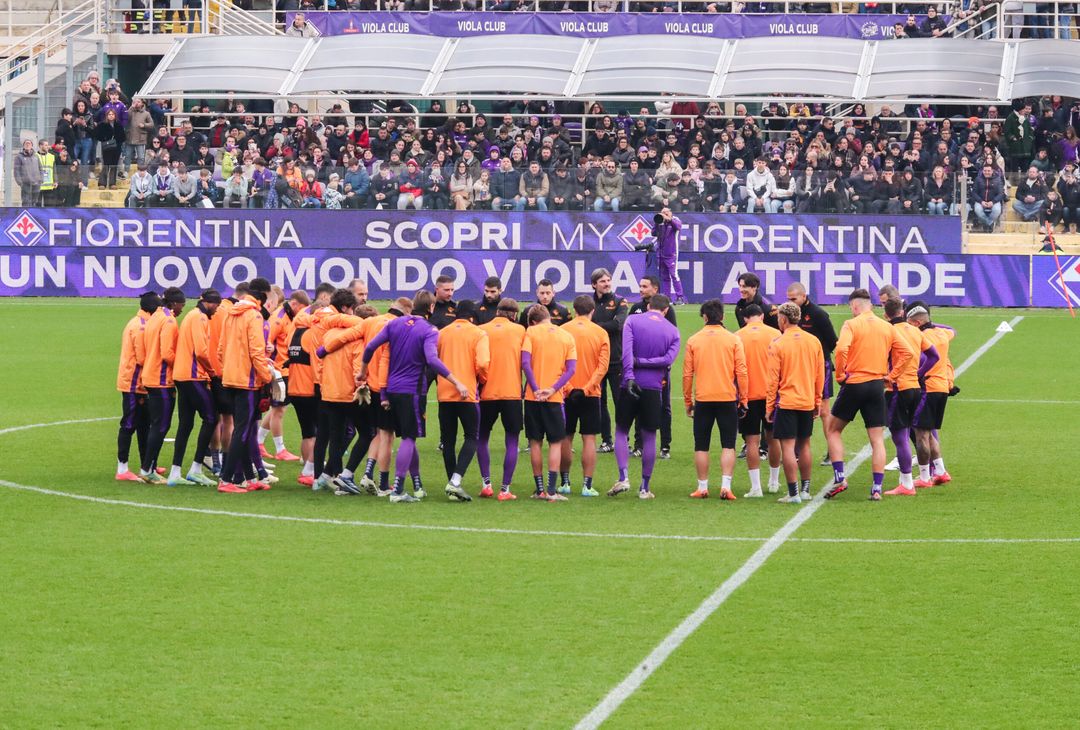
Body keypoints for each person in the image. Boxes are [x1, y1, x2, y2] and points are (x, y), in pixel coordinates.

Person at [358, 290, 470, 504]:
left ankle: (417, 484)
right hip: (412, 392)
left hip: (391, 390)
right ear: (431, 308)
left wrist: (363, 370)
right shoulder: (429, 330)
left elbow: (371, 346)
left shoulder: (394, 324)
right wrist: (456, 381)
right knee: (409, 438)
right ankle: (398, 490)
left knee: (409, 437)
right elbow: (432, 359)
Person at [825, 289, 915, 502]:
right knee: (876, 439)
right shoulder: (886, 327)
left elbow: (841, 349)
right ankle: (876, 488)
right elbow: (908, 353)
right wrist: (892, 376)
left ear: (855, 306)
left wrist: (840, 374)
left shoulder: (852, 324)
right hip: (876, 385)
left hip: (855, 383)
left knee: (833, 429)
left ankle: (839, 477)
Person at [609, 294, 680, 499]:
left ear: (649, 306)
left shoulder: (632, 320)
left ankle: (623, 477)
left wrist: (633, 370)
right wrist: (649, 362)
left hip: (629, 383)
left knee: (622, 431)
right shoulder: (673, 331)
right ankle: (644, 488)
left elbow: (627, 352)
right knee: (649, 435)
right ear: (666, 310)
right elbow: (667, 360)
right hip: (654, 388)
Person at [683, 299, 747, 501]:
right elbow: (742, 372)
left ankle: (702, 487)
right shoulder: (733, 339)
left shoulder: (694, 340)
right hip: (727, 397)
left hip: (703, 398)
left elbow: (687, 374)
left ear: (704, 316)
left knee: (701, 444)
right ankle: (726, 486)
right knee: (728, 443)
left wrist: (687, 401)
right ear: (722, 317)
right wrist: (743, 398)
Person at [217, 278, 273, 493]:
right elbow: (256, 352)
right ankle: (226, 478)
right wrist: (266, 376)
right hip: (248, 381)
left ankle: (247, 477)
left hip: (230, 378)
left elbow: (221, 349)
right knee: (242, 430)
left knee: (246, 428)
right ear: (260, 300)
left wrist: (231, 368)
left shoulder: (230, 314)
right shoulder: (254, 316)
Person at [765, 302, 825, 505]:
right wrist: (818, 400)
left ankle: (793, 493)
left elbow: (773, 379)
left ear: (783, 319)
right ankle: (806, 489)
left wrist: (769, 407)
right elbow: (820, 375)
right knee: (805, 444)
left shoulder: (778, 343)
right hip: (807, 401)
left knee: (788, 448)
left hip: (787, 402)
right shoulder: (813, 341)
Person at [880, 297, 939, 497]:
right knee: (918, 433)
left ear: (885, 314)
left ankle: (906, 483)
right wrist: (920, 373)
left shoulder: (887, 331)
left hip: (897, 389)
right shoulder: (915, 330)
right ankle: (924, 476)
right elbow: (934, 356)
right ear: (903, 313)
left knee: (901, 437)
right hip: (915, 388)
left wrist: (889, 376)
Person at [521, 304, 577, 502]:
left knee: (535, 442)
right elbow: (571, 370)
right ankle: (552, 491)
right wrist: (553, 389)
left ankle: (539, 490)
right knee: (555, 443)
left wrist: (535, 388)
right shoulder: (566, 336)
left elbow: (525, 363)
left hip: (532, 396)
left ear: (533, 320)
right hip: (554, 398)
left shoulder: (531, 332)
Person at [436, 300, 490, 502]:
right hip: (467, 392)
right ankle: (456, 481)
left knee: (448, 441)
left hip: (444, 392)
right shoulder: (478, 333)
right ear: (473, 315)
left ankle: (452, 483)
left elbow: (434, 359)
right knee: (471, 437)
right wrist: (480, 379)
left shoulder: (443, 333)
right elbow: (483, 363)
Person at [558, 296, 610, 498]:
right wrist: (588, 388)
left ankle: (564, 483)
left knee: (565, 436)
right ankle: (587, 486)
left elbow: (560, 363)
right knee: (589, 439)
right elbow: (602, 366)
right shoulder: (600, 332)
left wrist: (570, 387)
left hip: (566, 393)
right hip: (591, 393)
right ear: (592, 311)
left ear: (574, 309)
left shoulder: (563, 330)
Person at [169, 289, 222, 488]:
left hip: (181, 376)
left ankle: (176, 471)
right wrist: (212, 371)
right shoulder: (200, 318)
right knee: (211, 418)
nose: (216, 311)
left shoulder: (191, 315)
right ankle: (196, 468)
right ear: (209, 303)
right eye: (216, 306)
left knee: (186, 423)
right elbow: (201, 351)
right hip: (193, 376)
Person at [477, 298, 526, 500]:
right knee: (512, 441)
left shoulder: (481, 330)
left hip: (486, 392)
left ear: (497, 312)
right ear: (514, 314)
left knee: (482, 437)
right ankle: (505, 489)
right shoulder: (521, 331)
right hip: (512, 392)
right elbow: (527, 361)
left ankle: (486, 484)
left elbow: (479, 362)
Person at [786, 282, 839, 466]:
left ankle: (832, 452)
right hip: (797, 367)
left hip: (819, 366)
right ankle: (796, 450)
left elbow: (834, 342)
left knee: (824, 411)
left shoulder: (818, 314)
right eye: (788, 299)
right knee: (796, 406)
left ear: (804, 296)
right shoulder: (790, 315)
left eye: (794, 299)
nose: (791, 302)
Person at [736, 304, 783, 496]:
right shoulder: (776, 334)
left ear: (746, 318)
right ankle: (774, 482)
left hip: (748, 396)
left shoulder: (737, 336)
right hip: (771, 395)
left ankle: (756, 487)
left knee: (752, 441)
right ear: (762, 316)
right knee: (773, 440)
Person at [139, 287, 186, 484]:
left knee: (156, 424)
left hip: (150, 375)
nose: (182, 309)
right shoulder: (168, 321)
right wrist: (182, 366)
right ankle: (148, 469)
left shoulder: (154, 318)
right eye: (182, 305)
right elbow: (167, 353)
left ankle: (148, 467)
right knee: (161, 425)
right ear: (174, 304)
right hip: (161, 379)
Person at [907, 303, 956, 489]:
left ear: (917, 323)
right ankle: (941, 471)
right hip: (942, 388)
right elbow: (953, 330)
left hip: (927, 387)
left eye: (911, 323)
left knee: (920, 434)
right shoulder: (942, 334)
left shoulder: (921, 337)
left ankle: (924, 477)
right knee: (929, 433)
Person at [628, 275, 675, 459]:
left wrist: (664, 362)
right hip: (640, 367)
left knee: (664, 406)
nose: (641, 289)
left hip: (659, 368)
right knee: (639, 404)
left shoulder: (666, 310)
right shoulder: (636, 308)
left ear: (655, 289)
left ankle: (665, 446)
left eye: (645, 286)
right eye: (640, 285)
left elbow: (671, 336)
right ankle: (639, 445)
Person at [115, 292, 158, 482]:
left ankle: (146, 464)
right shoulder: (141, 327)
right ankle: (122, 468)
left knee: (143, 425)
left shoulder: (139, 322)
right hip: (134, 382)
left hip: (137, 381)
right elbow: (142, 358)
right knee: (129, 423)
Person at [591, 268, 629, 453]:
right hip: (596, 361)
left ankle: (624, 440)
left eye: (608, 280)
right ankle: (607, 441)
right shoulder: (589, 303)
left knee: (620, 402)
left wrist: (594, 327)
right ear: (594, 284)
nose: (606, 284)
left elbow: (618, 324)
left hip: (616, 361)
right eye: (602, 281)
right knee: (600, 402)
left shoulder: (620, 301)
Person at [652, 207, 687, 304]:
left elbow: (678, 226)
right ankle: (667, 298)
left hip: (671, 253)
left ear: (670, 213)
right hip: (661, 253)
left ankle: (680, 297)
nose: (664, 214)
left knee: (674, 275)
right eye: (662, 212)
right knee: (665, 276)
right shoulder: (661, 223)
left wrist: (669, 219)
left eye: (666, 212)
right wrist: (657, 222)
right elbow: (653, 233)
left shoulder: (675, 220)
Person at [14, 139, 42, 206]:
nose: (27, 145)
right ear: (23, 146)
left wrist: (41, 179)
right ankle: (26, 215)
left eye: (29, 143)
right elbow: (16, 171)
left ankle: (33, 215)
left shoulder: (36, 156)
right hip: (25, 184)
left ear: (32, 146)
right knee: (26, 202)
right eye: (26, 143)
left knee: (34, 202)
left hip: (36, 183)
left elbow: (41, 168)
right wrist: (20, 182)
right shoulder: (19, 157)